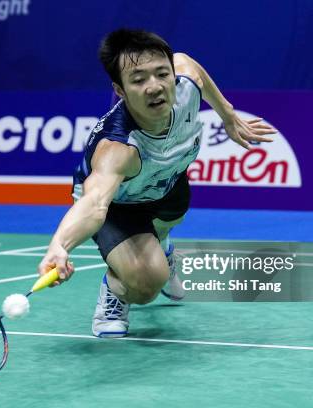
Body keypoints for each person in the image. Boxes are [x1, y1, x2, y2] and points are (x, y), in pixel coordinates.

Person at [37, 29, 276, 337]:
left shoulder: (184, 84)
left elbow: (190, 65)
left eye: (161, 74)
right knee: (147, 283)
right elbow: (95, 203)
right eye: (138, 80)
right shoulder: (118, 148)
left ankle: (161, 249)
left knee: (168, 224)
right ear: (120, 90)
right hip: (118, 205)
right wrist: (59, 246)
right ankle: (115, 290)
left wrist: (228, 114)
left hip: (168, 180)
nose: (154, 87)